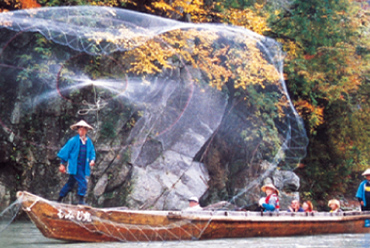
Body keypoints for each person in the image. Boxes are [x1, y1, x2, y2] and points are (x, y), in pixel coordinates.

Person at [57, 120, 96, 205]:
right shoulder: (73, 140)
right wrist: (62, 164)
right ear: (78, 130)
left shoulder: (88, 142)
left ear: (86, 130)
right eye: (80, 129)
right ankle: (81, 201)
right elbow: (65, 151)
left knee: (70, 184)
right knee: (83, 182)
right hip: (75, 165)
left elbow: (92, 152)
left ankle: (59, 199)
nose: (81, 131)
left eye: (83, 129)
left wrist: (92, 160)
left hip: (83, 166)